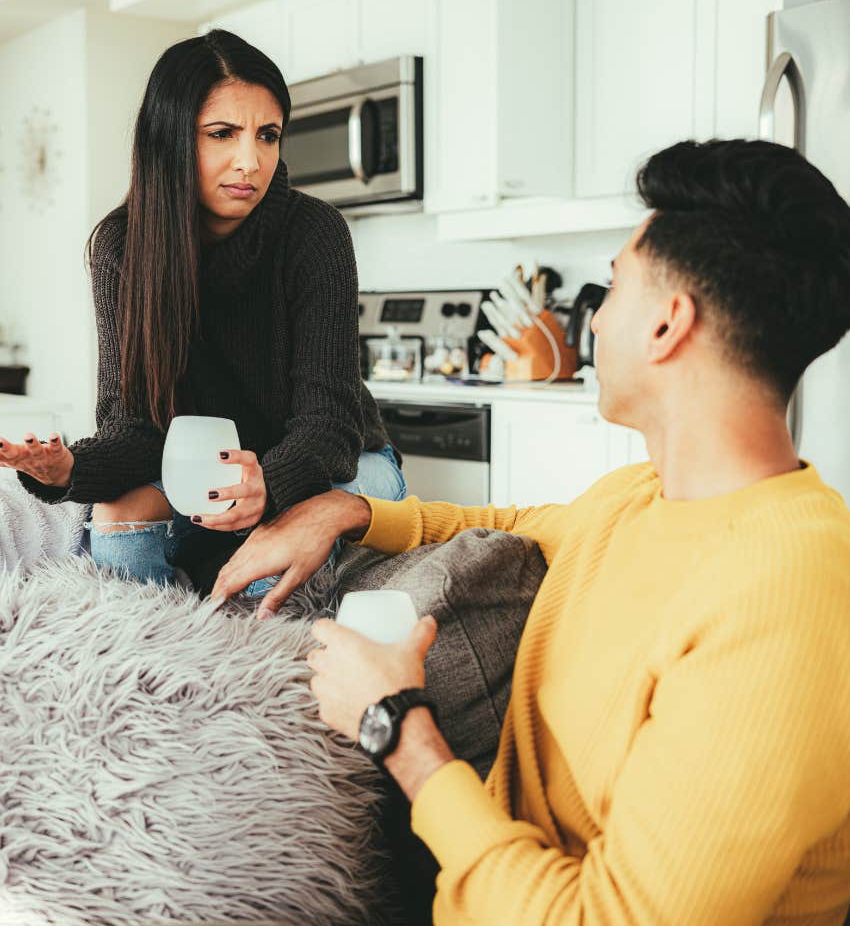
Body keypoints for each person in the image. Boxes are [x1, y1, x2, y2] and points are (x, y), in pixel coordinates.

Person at [210, 139, 850, 924]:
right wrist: (348, 511)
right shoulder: (645, 496)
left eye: (613, 288)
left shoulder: (786, 594)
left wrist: (398, 728)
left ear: (666, 326)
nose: (595, 317)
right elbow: (518, 524)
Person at [0, 29, 405, 600]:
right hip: (215, 469)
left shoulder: (315, 233)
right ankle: (172, 652)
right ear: (169, 139)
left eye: (268, 136)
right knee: (119, 527)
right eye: (223, 134)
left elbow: (329, 423)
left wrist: (272, 484)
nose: (252, 160)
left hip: (340, 465)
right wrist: (70, 470)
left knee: (262, 572)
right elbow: (137, 425)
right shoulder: (121, 246)